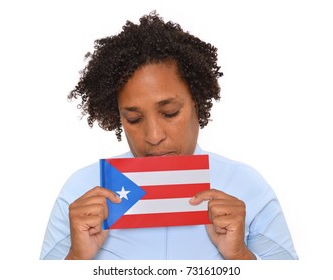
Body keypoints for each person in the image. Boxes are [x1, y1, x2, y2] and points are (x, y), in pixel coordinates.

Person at [40, 11, 298, 260]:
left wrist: (240, 257)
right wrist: (75, 259)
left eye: (170, 113)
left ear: (197, 102)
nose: (153, 136)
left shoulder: (247, 186)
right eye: (134, 119)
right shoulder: (81, 191)